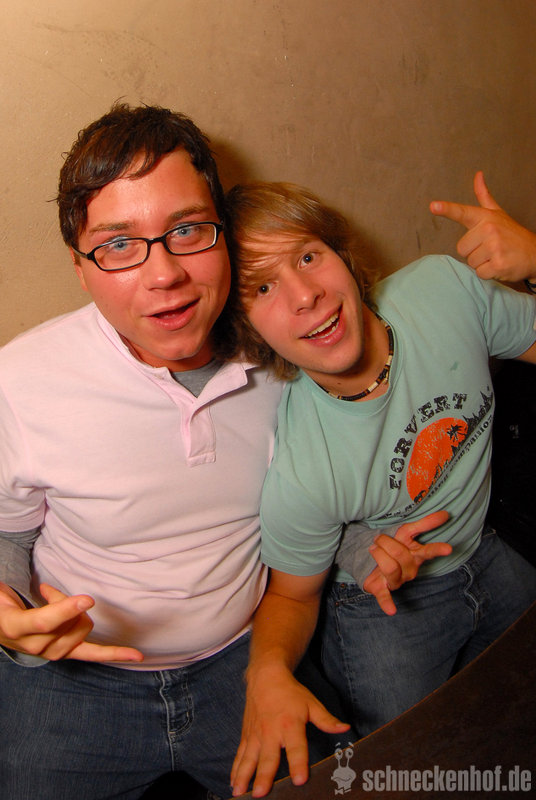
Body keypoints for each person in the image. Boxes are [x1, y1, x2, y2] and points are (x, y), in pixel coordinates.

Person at [0, 103, 440, 800]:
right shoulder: (22, 382)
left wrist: (364, 546)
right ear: (81, 269)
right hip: (74, 680)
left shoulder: (287, 353)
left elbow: (308, 490)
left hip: (243, 659)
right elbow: (8, 532)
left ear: (223, 236)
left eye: (187, 231)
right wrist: (9, 610)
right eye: (118, 245)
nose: (164, 275)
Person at [224, 181, 536, 798]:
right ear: (250, 331)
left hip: (488, 546)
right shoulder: (304, 469)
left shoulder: (445, 292)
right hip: (382, 609)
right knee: (410, 767)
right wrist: (267, 671)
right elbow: (291, 596)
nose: (305, 295)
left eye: (308, 256)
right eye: (262, 288)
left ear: (343, 254)